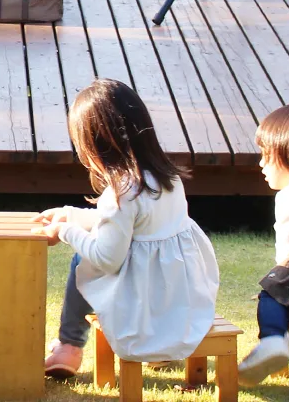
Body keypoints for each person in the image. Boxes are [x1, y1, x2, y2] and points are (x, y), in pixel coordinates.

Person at [36, 79, 219, 376]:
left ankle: (69, 346)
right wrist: (71, 215)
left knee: (83, 258)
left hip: (141, 301)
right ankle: (76, 346)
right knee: (92, 243)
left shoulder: (122, 193)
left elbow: (108, 257)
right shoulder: (166, 180)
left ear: (94, 144)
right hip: (177, 299)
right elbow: (133, 228)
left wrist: (64, 232)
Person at [237, 103, 289, 386]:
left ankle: (273, 340)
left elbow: (287, 254)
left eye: (266, 155)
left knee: (272, 292)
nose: (261, 163)